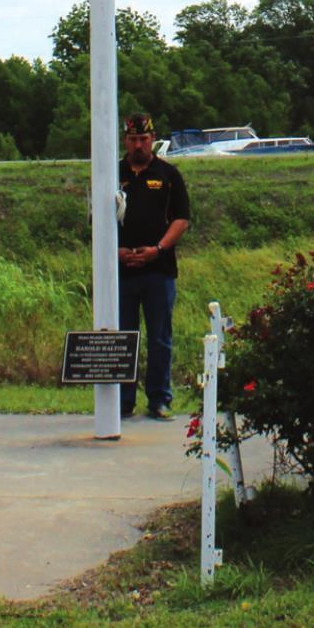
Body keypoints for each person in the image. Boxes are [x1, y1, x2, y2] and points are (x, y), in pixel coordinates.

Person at [117, 113, 191, 420]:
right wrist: (115, 251)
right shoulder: (112, 172)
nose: (138, 145)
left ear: (152, 140)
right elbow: (95, 218)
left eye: (143, 140)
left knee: (159, 336)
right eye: (133, 140)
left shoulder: (168, 174)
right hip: (121, 271)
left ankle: (159, 399)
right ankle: (121, 401)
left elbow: (181, 219)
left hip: (158, 270)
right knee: (123, 336)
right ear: (125, 141)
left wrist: (157, 249)